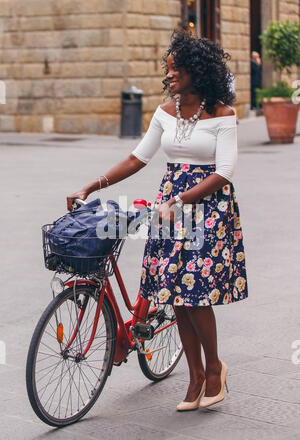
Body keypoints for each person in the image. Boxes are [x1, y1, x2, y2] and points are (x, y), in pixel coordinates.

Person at [67, 30, 249, 411]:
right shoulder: (165, 113)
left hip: (207, 208)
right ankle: (195, 375)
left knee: (195, 292)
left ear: (195, 73)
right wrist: (91, 185)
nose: (169, 77)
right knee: (172, 292)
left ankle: (214, 369)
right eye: (167, 70)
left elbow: (225, 171)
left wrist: (180, 199)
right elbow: (137, 159)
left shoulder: (222, 114)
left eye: (176, 70)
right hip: (170, 208)